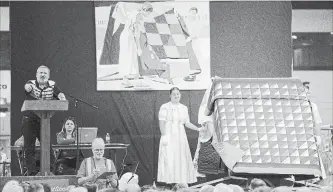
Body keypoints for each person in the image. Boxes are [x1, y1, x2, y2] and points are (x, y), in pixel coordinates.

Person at [21, 65, 66, 176]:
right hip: (29, 120)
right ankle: (31, 174)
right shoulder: (31, 82)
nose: (42, 75)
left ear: (48, 75)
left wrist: (62, 97)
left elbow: (60, 94)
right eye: (40, 73)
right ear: (36, 75)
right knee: (29, 147)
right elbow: (27, 87)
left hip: (43, 121)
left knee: (48, 147)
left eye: (45, 73)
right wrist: (28, 88)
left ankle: (49, 171)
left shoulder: (52, 85)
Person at [157, 87, 200, 184]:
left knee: (180, 158)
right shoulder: (165, 107)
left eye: (178, 94)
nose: (176, 96)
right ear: (170, 95)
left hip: (180, 137)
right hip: (168, 136)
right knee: (169, 157)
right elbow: (162, 122)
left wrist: (198, 129)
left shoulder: (184, 108)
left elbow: (187, 123)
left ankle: (180, 183)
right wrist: (164, 136)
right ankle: (169, 182)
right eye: (174, 94)